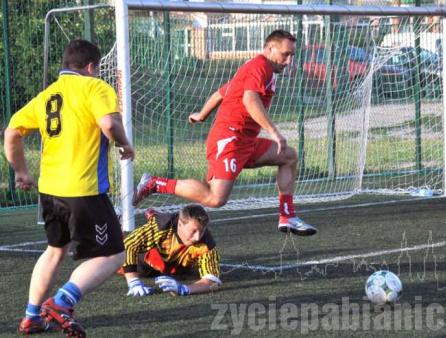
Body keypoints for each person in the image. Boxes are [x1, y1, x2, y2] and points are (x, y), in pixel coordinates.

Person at [4, 39, 134, 337]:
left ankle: (31, 316)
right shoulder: (95, 87)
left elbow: (12, 131)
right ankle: (62, 302)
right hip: (84, 191)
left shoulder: (47, 95)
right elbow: (110, 125)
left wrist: (22, 172)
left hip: (50, 191)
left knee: (54, 251)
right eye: (97, 68)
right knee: (113, 255)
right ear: (91, 67)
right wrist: (125, 145)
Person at [133, 30, 316, 236]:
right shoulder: (260, 66)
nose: (289, 60)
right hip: (229, 139)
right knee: (215, 198)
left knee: (288, 156)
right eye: (285, 54)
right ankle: (155, 183)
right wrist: (274, 131)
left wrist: (201, 114)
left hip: (245, 141)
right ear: (269, 49)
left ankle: (287, 216)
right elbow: (250, 100)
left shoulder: (260, 70)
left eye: (292, 55)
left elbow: (222, 92)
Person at [120, 204, 221, 296]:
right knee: (113, 256)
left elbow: (213, 281)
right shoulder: (161, 226)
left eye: (202, 231)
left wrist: (185, 289)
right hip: (142, 263)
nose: (197, 237)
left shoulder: (207, 244)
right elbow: (128, 245)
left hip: (172, 270)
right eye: (193, 231)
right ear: (180, 224)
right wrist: (133, 282)